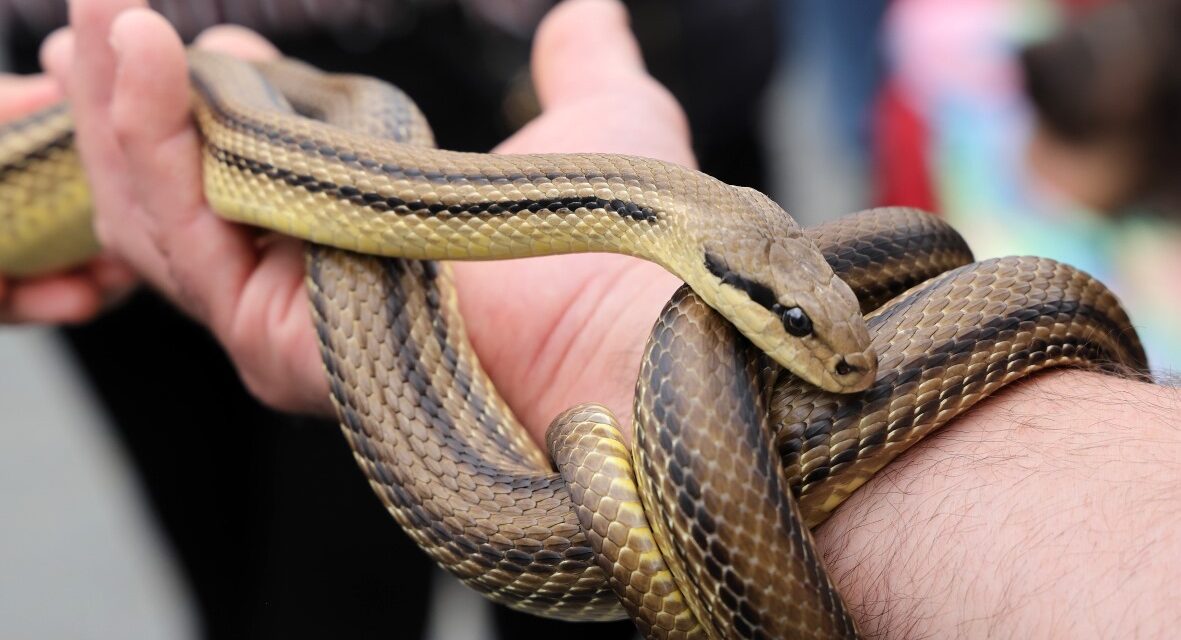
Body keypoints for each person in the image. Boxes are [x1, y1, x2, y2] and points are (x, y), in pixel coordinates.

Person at [3, 0, 1179, 637]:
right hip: (128, 133)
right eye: (791, 323)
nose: (829, 351)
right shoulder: (442, 161)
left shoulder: (681, 223)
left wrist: (595, 357)